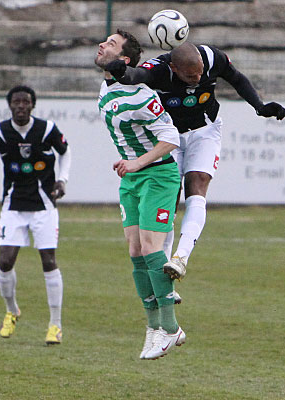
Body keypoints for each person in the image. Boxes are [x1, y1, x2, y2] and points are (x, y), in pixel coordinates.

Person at [106, 41, 285, 281]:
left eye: (200, 73)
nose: (197, 78)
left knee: (198, 184)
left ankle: (181, 257)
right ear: (174, 68)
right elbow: (136, 75)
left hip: (206, 130)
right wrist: (121, 71)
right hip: (169, 137)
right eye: (190, 76)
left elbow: (237, 78)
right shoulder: (159, 69)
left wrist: (259, 106)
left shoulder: (214, 58)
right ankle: (163, 274)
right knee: (169, 199)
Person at [95, 29, 186, 360]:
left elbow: (170, 138)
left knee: (150, 246)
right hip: (132, 179)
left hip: (158, 175)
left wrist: (137, 163)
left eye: (112, 44)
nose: (103, 44)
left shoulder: (142, 94)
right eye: (105, 40)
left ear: (125, 60)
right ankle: (153, 328)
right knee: (135, 250)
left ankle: (171, 328)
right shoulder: (106, 89)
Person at [0, 85, 71, 345]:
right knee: (5, 261)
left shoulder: (46, 129)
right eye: (16, 102)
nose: (21, 106)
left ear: (33, 105)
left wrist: (63, 180)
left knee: (48, 261)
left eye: (25, 102)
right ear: (10, 105)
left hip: (44, 206)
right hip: (13, 206)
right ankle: (11, 310)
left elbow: (65, 152)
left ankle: (55, 325)